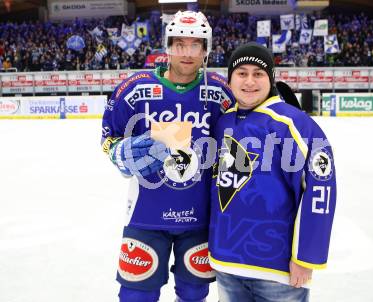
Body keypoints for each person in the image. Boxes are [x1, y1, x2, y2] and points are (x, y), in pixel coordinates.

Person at [101, 11, 234, 302]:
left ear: (206, 49)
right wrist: (119, 153)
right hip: (145, 215)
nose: (187, 52)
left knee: (194, 294)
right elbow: (108, 137)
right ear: (167, 46)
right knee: (135, 295)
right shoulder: (133, 89)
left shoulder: (221, 94)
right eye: (179, 44)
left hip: (199, 218)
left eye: (196, 44)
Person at [208, 42, 337, 302]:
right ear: (230, 79)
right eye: (241, 73)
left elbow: (321, 189)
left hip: (278, 272)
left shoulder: (294, 123)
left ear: (271, 78)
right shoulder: (222, 122)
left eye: (258, 74)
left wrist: (306, 256)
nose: (249, 81)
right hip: (226, 264)